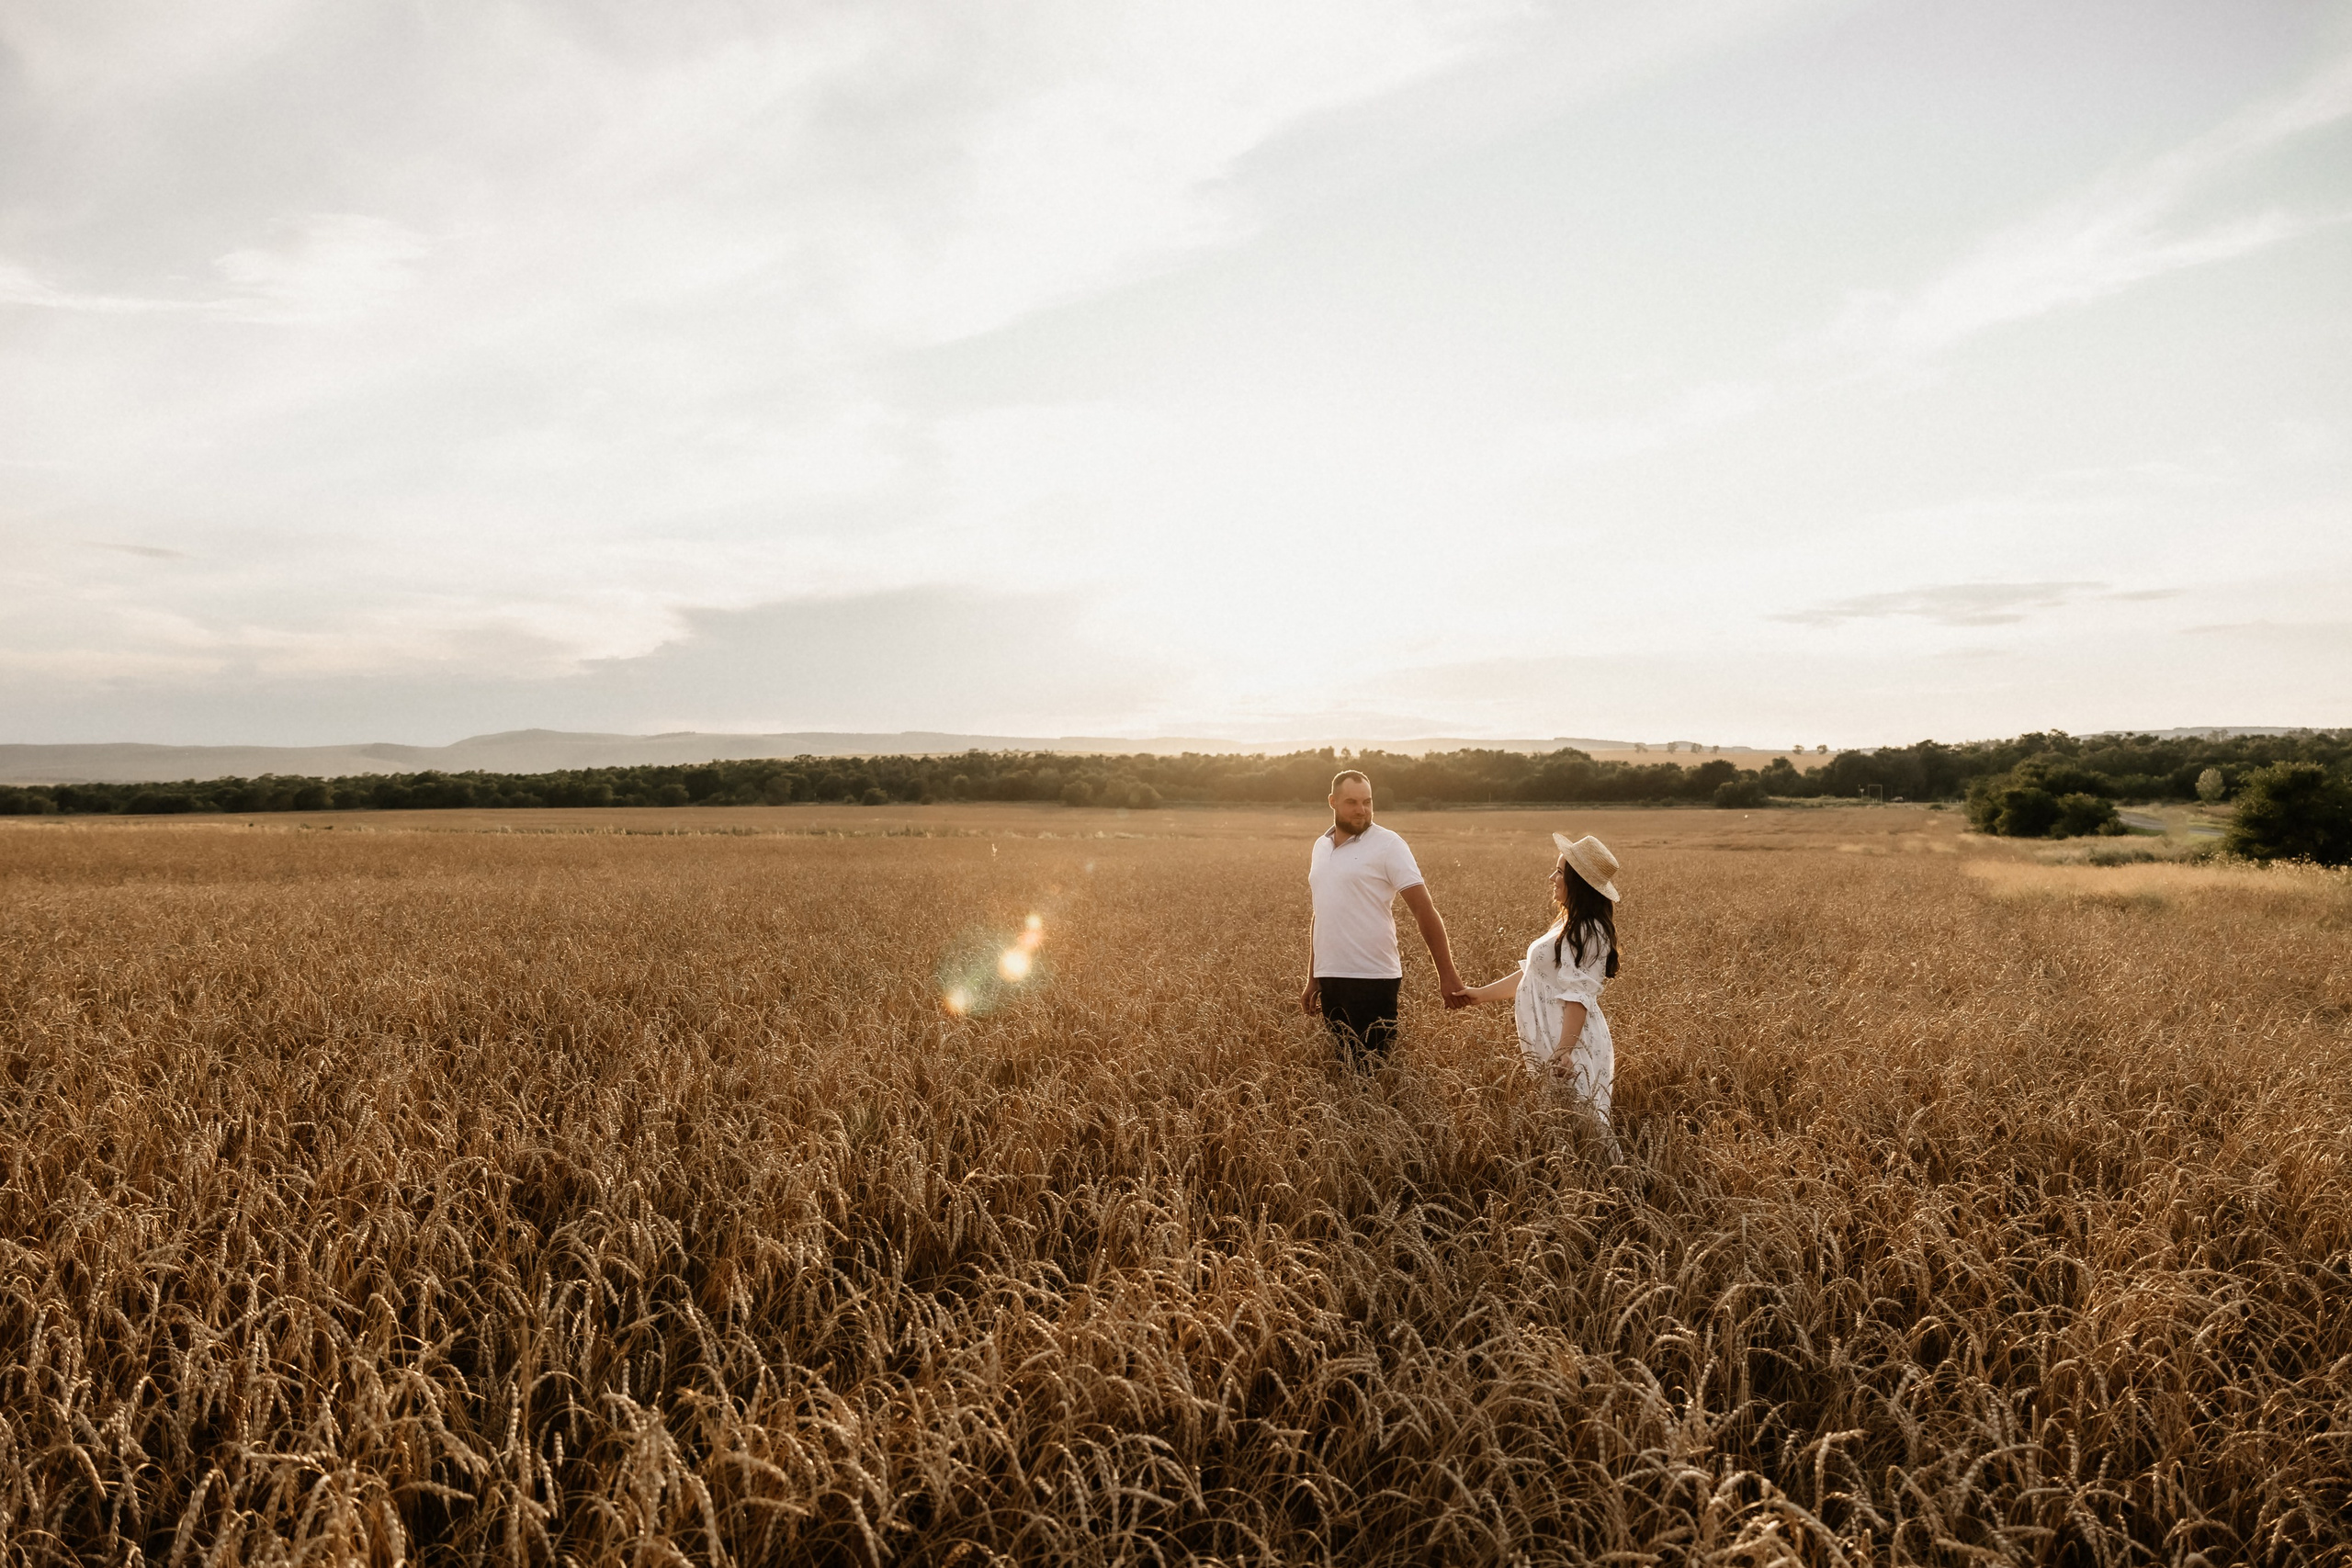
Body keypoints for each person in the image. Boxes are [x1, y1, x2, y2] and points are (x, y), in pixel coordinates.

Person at [1460, 832, 1623, 1156]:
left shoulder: (1588, 930)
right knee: (1566, 1128)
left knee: (1590, 1130)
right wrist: (1478, 995)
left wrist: (1564, 1052)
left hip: (1572, 1045)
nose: (1552, 878)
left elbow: (1579, 997)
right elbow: (1531, 977)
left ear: (1577, 882)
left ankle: (1620, 1193)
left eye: (1560, 872)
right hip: (1555, 1042)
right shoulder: (1567, 924)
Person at [1299, 769, 1467, 1064]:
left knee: (1374, 1074)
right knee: (1343, 1067)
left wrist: (1448, 976)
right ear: (1332, 802)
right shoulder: (1320, 846)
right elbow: (1321, 913)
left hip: (1373, 978)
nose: (1362, 810)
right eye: (1352, 802)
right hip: (1331, 979)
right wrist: (1313, 977)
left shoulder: (1389, 845)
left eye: (1367, 801)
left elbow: (1423, 910)